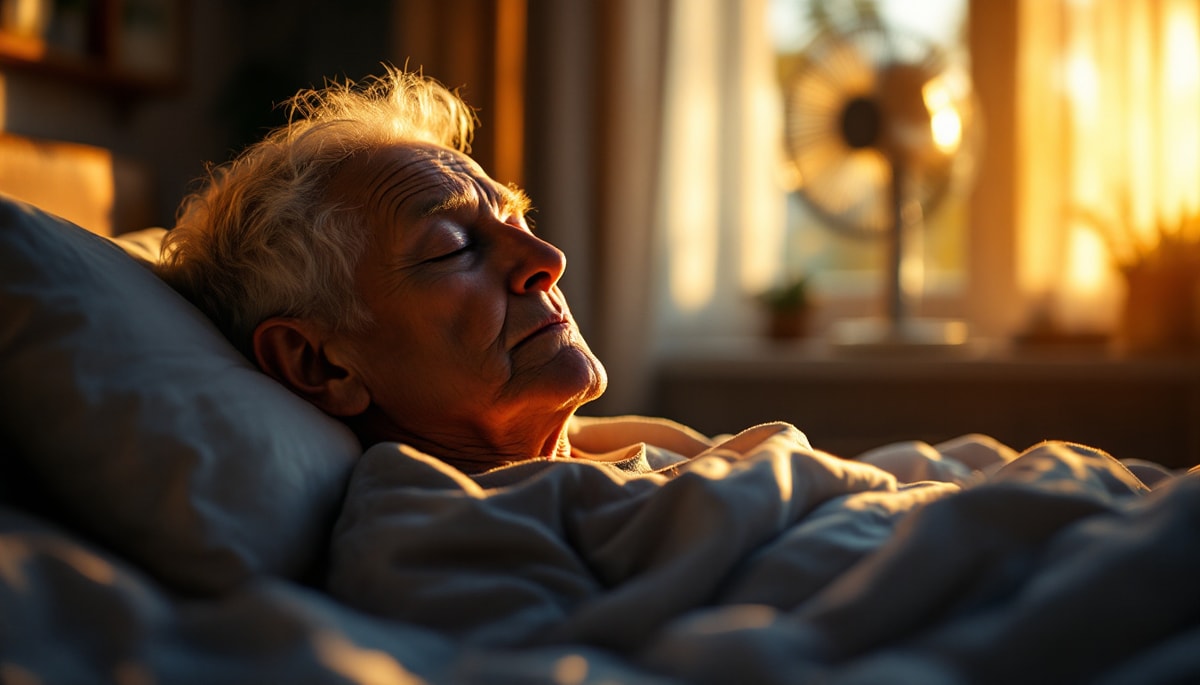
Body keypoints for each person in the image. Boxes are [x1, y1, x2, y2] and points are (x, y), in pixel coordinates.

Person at [158, 65, 1015, 479]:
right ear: (321, 362)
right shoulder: (444, 527)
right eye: (453, 248)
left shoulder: (606, 446)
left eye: (516, 219)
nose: (546, 261)